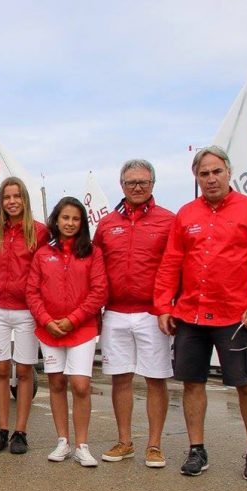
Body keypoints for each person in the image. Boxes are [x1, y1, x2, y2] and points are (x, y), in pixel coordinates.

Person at [154, 146, 247, 481]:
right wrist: (164, 306)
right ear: (196, 177)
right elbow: (170, 264)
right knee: (192, 384)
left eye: (216, 172)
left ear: (228, 172)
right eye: (203, 173)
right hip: (191, 316)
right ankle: (197, 449)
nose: (210, 178)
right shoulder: (186, 214)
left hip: (236, 319)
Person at [93, 160, 175, 468]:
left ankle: (154, 445)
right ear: (121, 185)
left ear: (153, 184)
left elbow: (176, 265)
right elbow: (96, 269)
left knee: (156, 379)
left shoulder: (169, 220)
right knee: (120, 378)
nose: (137, 187)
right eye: (131, 182)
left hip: (153, 313)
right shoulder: (106, 223)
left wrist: (170, 307)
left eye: (143, 182)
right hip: (115, 312)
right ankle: (124, 441)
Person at [26, 197, 107, 467]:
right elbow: (32, 291)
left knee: (80, 385)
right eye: (65, 218)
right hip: (49, 330)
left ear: (82, 222)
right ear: (56, 221)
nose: (70, 223)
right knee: (57, 383)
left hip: (80, 329)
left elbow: (99, 292)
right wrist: (47, 320)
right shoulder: (42, 253)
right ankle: (62, 441)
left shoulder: (92, 252)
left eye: (75, 218)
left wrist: (73, 320)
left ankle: (82, 445)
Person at [0, 177, 49, 454]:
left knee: (23, 371)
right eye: (7, 197)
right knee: (0, 370)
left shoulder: (40, 232)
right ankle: (1, 428)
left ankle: (20, 432)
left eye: (16, 196)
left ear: (25, 199)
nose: (12, 202)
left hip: (26, 310)